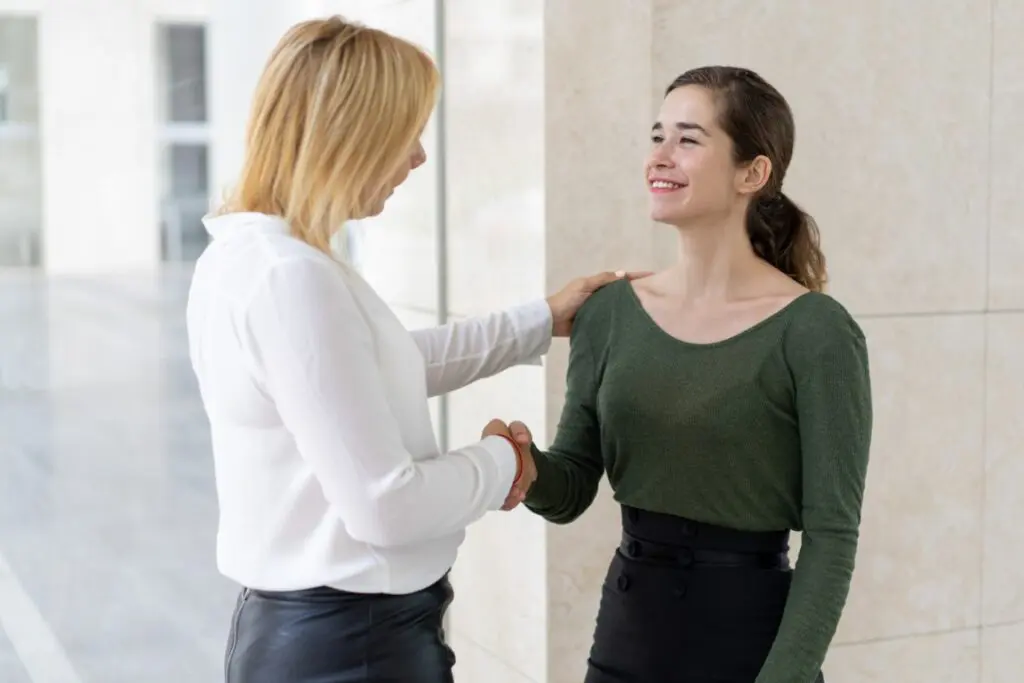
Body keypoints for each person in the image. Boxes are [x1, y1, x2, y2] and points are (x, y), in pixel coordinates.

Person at [185, 16, 642, 683]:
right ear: (352, 135)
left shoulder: (244, 258)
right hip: (353, 647)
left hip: (326, 636)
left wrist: (542, 319)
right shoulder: (291, 278)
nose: (419, 157)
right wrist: (504, 460)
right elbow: (387, 506)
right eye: (406, 133)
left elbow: (376, 368)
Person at [503, 66, 873, 683]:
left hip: (750, 651)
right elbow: (572, 488)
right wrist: (524, 467)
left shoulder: (816, 332)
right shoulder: (608, 312)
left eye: (688, 139)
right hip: (625, 642)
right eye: (657, 136)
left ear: (752, 173)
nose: (660, 156)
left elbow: (833, 537)